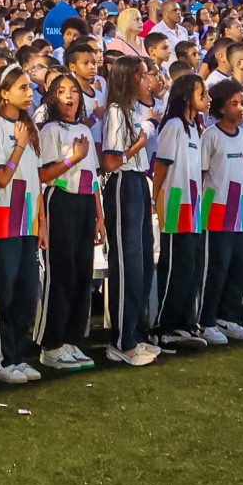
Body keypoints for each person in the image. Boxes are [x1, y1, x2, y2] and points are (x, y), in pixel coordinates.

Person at [0, 66, 45, 380]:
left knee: (26, 292)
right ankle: (0, 360)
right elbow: (2, 177)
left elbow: (36, 179)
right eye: (22, 88)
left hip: (28, 219)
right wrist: (18, 146)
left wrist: (42, 221)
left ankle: (18, 355)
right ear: (4, 93)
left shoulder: (27, 127)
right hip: (3, 217)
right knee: (2, 292)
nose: (30, 93)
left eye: (30, 87)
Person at [33, 69, 97, 370]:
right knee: (62, 272)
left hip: (84, 203)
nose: (69, 96)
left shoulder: (84, 129)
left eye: (73, 91)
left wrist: (99, 216)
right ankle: (51, 343)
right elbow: (44, 174)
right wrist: (74, 158)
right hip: (60, 200)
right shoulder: (50, 130)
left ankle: (71, 339)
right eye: (61, 91)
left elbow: (93, 178)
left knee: (83, 273)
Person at [99, 53, 160, 363]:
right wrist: (138, 144)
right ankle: (122, 341)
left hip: (138, 182)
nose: (147, 80)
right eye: (142, 75)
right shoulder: (115, 112)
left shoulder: (135, 111)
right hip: (122, 184)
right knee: (128, 263)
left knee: (144, 262)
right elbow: (110, 161)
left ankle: (135, 333)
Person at [152, 72, 211, 349]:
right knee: (175, 266)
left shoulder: (196, 127)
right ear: (187, 97)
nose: (208, 99)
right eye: (202, 93)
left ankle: (185, 323)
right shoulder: (174, 125)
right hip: (176, 202)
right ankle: (164, 327)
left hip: (193, 204)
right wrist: (155, 199)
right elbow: (161, 165)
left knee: (191, 267)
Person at [199, 77, 243, 339]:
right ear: (221, 107)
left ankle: (228, 316)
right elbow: (202, 173)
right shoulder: (211, 136)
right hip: (216, 210)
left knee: (238, 265)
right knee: (216, 266)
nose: (241, 108)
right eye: (234, 103)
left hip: (239, 210)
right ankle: (206, 319)